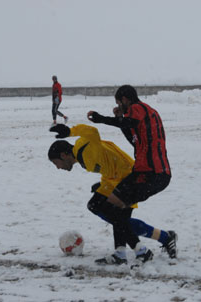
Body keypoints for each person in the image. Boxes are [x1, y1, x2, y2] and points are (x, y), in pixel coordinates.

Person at [49, 123, 177, 265]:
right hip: (114, 179)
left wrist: (70, 131)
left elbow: (92, 131)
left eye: (56, 163)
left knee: (118, 217)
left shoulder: (83, 150)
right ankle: (126, 252)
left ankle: (142, 250)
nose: (58, 168)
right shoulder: (82, 158)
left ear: (63, 155)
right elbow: (108, 162)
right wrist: (102, 185)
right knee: (99, 207)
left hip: (129, 178)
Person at [86, 84, 177, 265]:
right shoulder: (141, 116)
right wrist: (119, 118)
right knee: (119, 210)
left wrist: (102, 119)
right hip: (153, 174)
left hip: (150, 173)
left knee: (112, 205)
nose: (119, 107)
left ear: (125, 100)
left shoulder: (138, 108)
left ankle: (139, 250)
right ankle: (127, 251)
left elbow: (128, 122)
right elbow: (133, 138)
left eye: (119, 103)